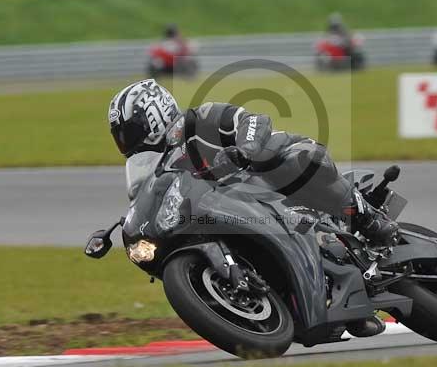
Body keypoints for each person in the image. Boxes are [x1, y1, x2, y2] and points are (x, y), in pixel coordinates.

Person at [107, 78, 397, 337]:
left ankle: (367, 218)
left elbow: (255, 120)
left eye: (128, 131)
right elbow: (146, 198)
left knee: (290, 164)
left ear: (153, 114)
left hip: (277, 171)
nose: (124, 140)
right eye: (119, 135)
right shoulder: (149, 169)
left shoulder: (197, 120)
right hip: (238, 211)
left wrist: (244, 150)